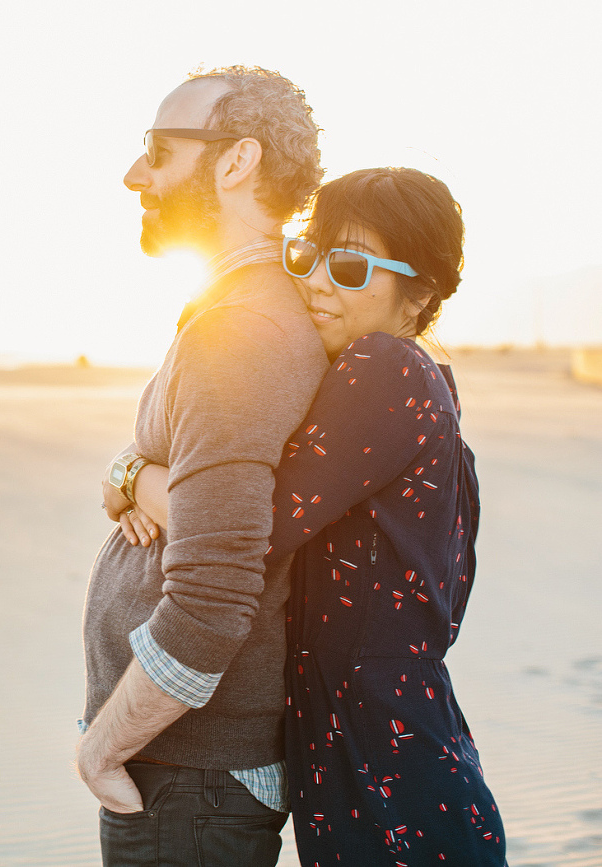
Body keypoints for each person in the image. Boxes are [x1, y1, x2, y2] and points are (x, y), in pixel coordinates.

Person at [118, 167, 506, 865]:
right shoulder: (431, 394)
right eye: (306, 255)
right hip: (382, 752)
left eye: (351, 265)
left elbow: (246, 528)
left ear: (416, 293)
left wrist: (132, 476)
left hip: (391, 778)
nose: (318, 282)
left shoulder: (384, 368)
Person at [76, 67, 327, 866]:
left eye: (157, 148)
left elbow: (215, 591)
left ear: (234, 162)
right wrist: (130, 472)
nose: (133, 174)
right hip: (186, 774)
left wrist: (103, 746)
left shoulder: (242, 331)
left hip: (187, 777)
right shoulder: (235, 310)